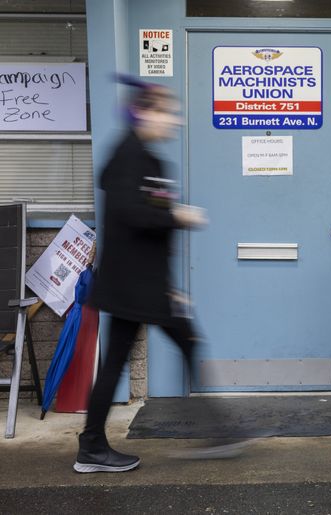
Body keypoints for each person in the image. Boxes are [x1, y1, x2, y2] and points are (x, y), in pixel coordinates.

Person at [73, 80, 217, 473]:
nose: (177, 119)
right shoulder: (128, 156)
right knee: (187, 341)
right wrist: (179, 215)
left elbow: (148, 225)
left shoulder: (144, 158)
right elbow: (131, 215)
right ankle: (218, 434)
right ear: (146, 112)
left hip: (142, 283)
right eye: (169, 112)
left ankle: (91, 447)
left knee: (119, 360)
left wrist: (169, 283)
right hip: (134, 285)